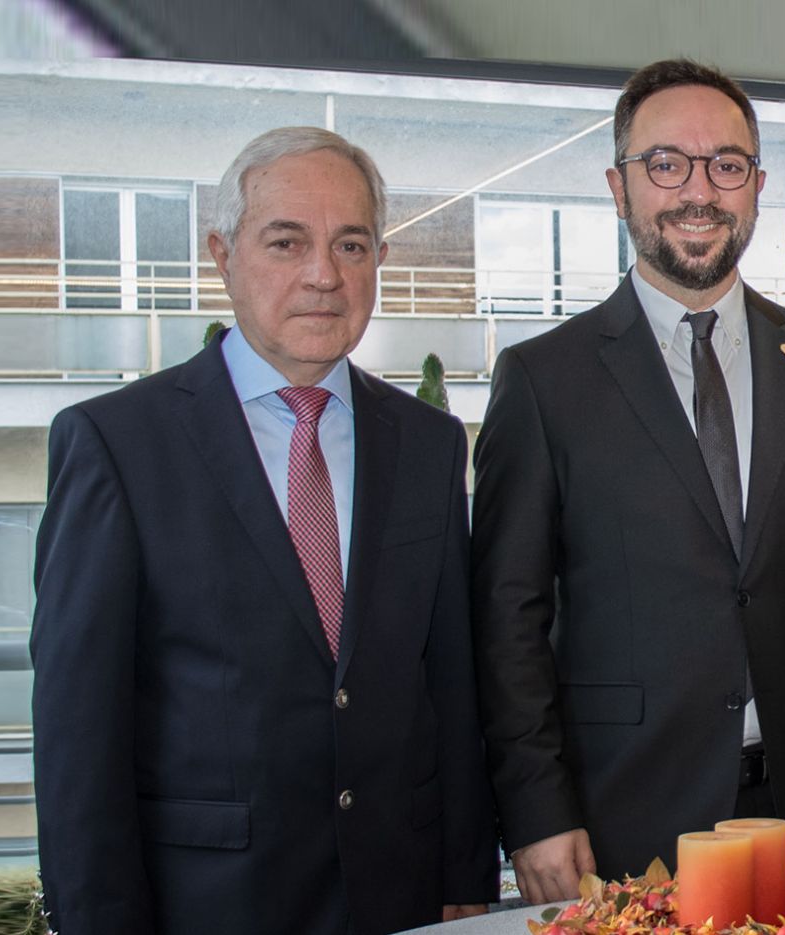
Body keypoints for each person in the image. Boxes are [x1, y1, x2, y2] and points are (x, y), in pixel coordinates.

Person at [472, 59, 785, 901]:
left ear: (756, 185)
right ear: (618, 186)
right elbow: (510, 618)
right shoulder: (544, 380)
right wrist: (535, 809)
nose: (699, 190)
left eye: (726, 164)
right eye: (666, 164)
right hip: (623, 811)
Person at [30, 127, 497, 935]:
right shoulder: (117, 445)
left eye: (350, 244)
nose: (323, 274)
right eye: (287, 242)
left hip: (401, 895)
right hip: (206, 902)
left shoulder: (428, 443)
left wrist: (464, 868)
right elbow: (79, 732)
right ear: (222, 254)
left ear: (379, 260)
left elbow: (449, 677)